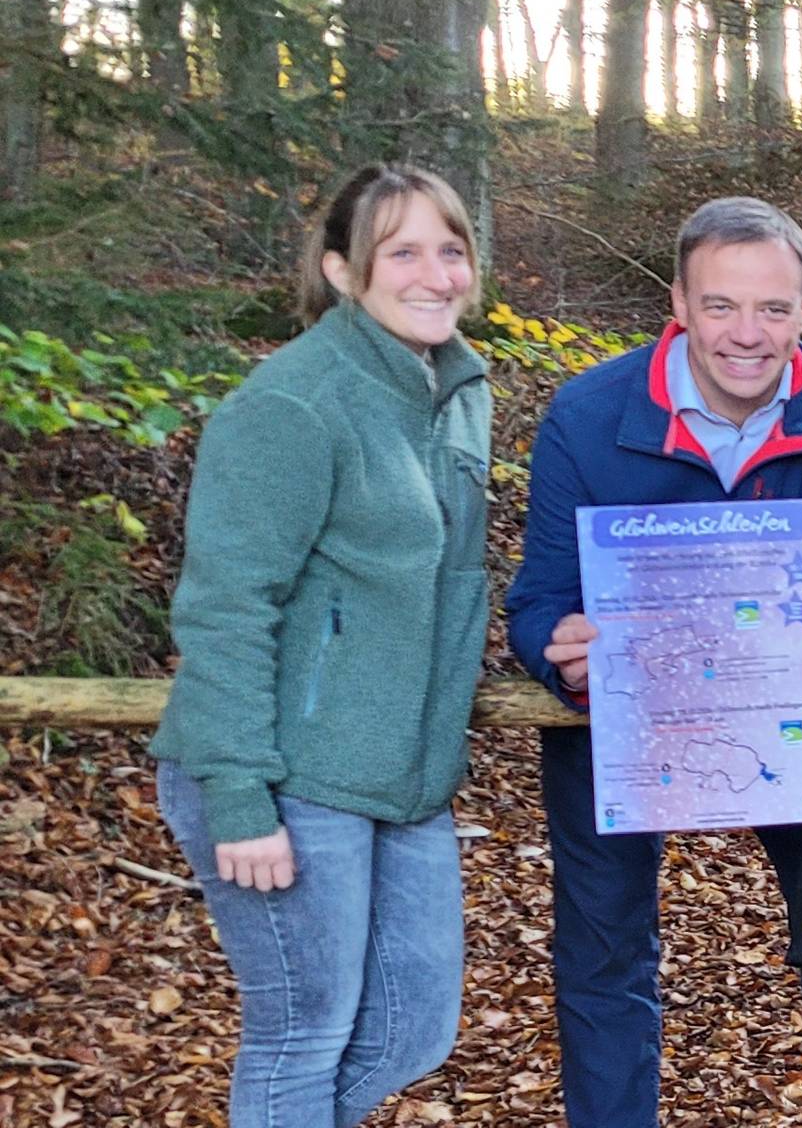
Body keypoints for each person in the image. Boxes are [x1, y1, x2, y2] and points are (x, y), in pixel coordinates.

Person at [502, 197, 802, 1128]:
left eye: (773, 308)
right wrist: (558, 651)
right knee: (604, 956)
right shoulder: (588, 415)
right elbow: (537, 600)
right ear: (679, 304)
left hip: (796, 721)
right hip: (621, 723)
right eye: (721, 305)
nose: (746, 333)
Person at [150, 164, 491, 1128]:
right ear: (342, 271)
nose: (435, 274)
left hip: (403, 776)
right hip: (285, 774)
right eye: (402, 252)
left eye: (451, 249)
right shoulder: (294, 403)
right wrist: (239, 795)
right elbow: (226, 608)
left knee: (412, 1031)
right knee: (302, 1034)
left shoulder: (457, 388)